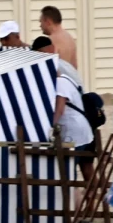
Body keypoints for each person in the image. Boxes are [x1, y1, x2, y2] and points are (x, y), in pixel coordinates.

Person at [31, 36, 95, 185]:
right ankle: (92, 204)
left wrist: (49, 126)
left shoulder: (59, 80)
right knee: (84, 170)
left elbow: (59, 109)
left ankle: (78, 204)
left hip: (76, 131)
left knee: (67, 173)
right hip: (83, 128)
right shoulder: (66, 72)